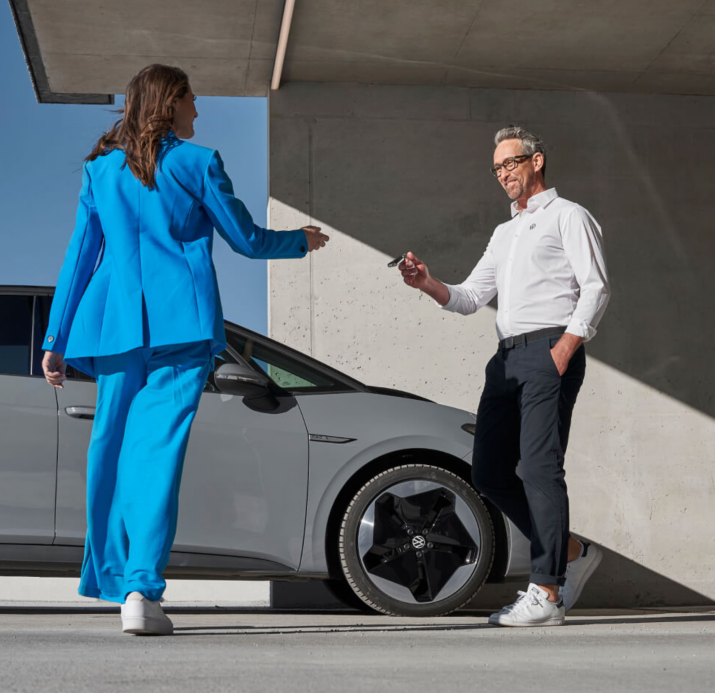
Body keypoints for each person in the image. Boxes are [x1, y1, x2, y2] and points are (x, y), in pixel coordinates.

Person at [41, 64, 329, 635]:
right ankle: (140, 590)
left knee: (112, 450)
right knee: (156, 456)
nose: (199, 110)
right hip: (182, 331)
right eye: (192, 99)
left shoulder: (101, 171)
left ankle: (121, 579)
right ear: (170, 103)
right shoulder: (198, 163)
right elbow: (246, 240)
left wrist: (55, 340)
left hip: (114, 331)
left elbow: (79, 260)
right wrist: (301, 241)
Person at [399, 126, 609, 627]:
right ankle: (573, 552)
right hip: (506, 360)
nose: (503, 175)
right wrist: (428, 283)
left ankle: (547, 593)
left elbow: (596, 286)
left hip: (549, 350)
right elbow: (470, 297)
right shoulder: (504, 232)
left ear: (536, 161)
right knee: (490, 472)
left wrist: (565, 348)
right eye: (496, 169)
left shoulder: (568, 216)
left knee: (539, 468)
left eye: (510, 164)